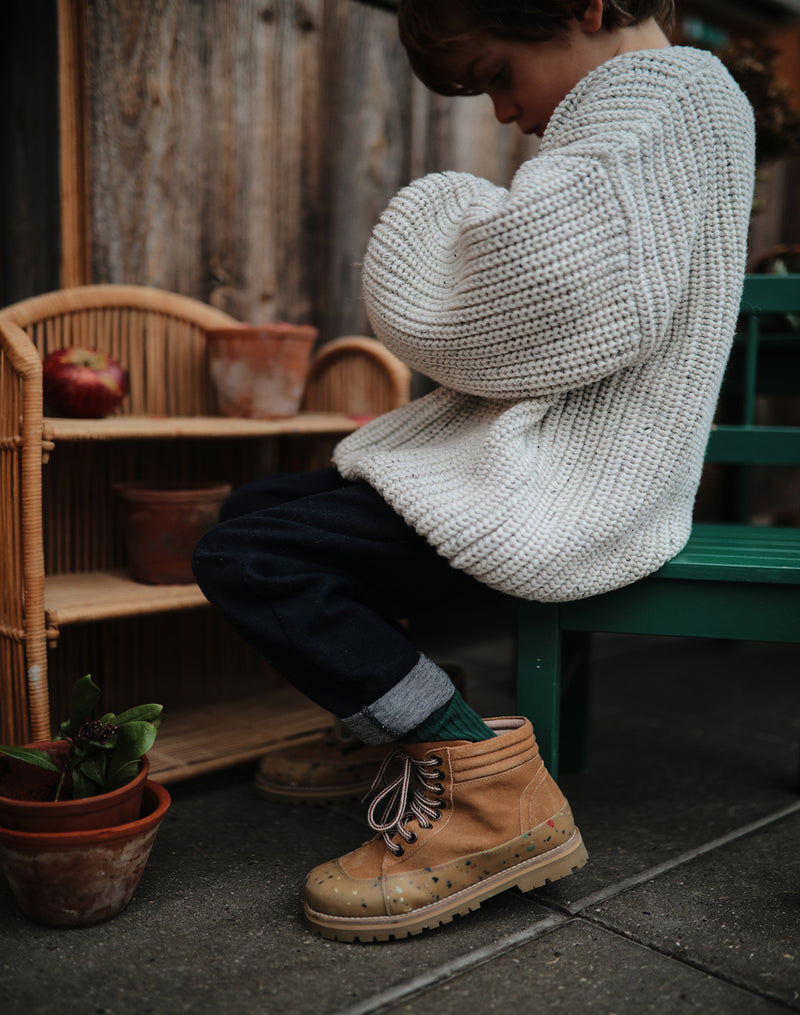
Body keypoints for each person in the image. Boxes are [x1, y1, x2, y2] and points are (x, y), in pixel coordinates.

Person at [193, 0, 755, 942]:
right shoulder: (669, 106)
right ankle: (403, 708)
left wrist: (434, 209)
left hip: (572, 488)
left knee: (251, 556)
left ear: (582, 6)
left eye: (497, 72)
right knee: (261, 508)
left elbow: (519, 300)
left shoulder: (654, 112)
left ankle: (479, 779)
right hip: (569, 467)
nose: (501, 111)